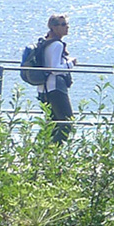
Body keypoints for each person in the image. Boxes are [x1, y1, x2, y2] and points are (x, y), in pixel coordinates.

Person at [38, 13, 75, 143]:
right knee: (67, 123)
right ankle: (53, 153)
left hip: (43, 89)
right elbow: (55, 69)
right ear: (54, 27)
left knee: (52, 125)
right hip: (55, 90)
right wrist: (71, 63)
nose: (67, 27)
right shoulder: (57, 45)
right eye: (64, 24)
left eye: (67, 24)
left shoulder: (46, 41)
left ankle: (43, 154)